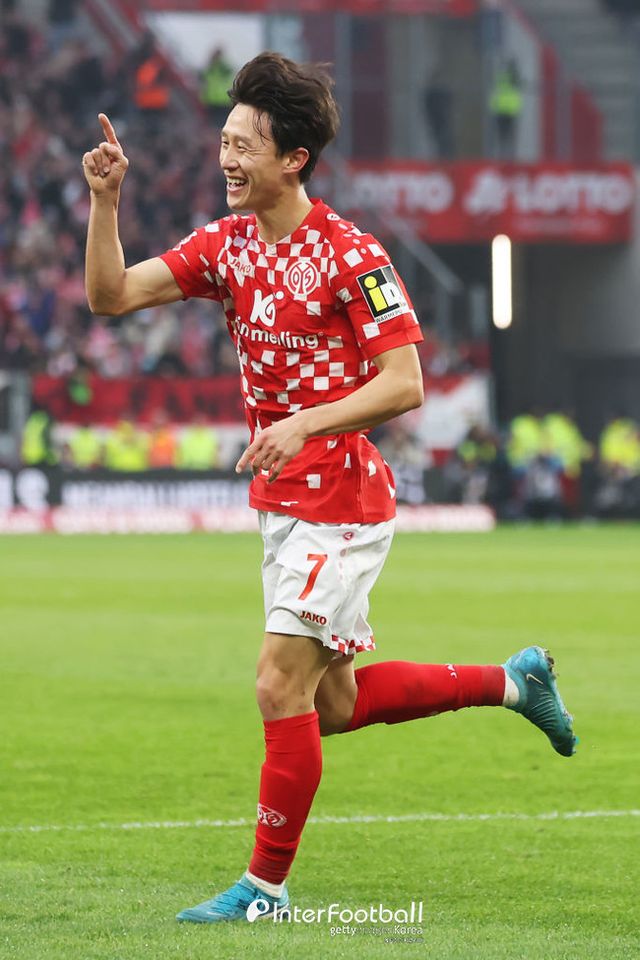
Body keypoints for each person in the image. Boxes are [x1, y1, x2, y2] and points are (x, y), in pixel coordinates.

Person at [82, 51, 577, 924]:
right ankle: (514, 681)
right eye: (224, 141)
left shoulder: (353, 256)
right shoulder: (226, 246)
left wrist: (306, 422)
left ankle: (264, 892)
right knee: (333, 707)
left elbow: (405, 383)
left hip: (342, 504)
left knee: (278, 686)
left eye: (244, 145)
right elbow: (111, 295)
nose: (227, 158)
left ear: (294, 158)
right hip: (283, 506)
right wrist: (105, 202)